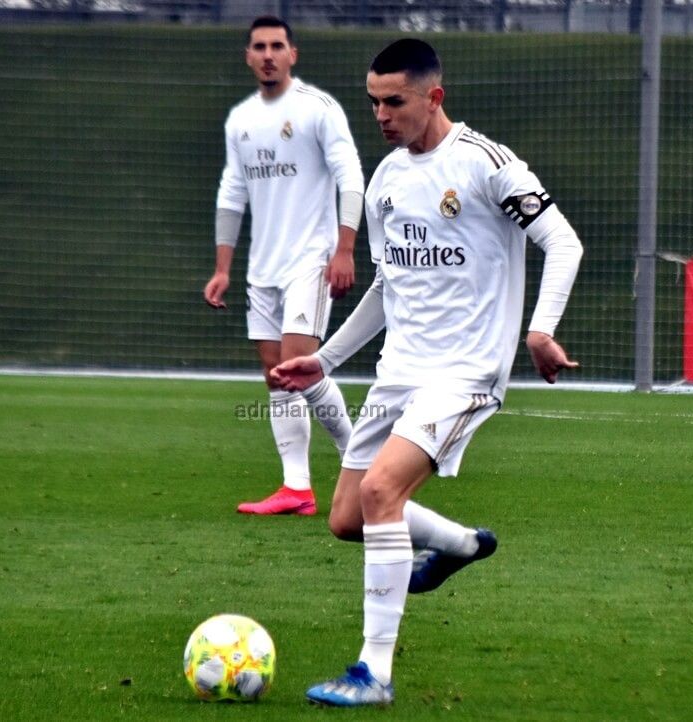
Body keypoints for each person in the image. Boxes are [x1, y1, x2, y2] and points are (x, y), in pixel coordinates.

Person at [271, 38, 585, 706]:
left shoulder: (486, 163)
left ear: (433, 96)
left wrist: (540, 330)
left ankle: (373, 674)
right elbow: (388, 288)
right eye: (373, 102)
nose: (381, 115)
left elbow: (563, 241)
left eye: (395, 101)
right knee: (347, 518)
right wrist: (323, 359)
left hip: (465, 372)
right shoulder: (386, 180)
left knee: (382, 491)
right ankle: (462, 545)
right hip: (399, 373)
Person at [206, 16, 365, 516]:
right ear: (248, 57)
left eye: (277, 45)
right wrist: (222, 268)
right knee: (277, 376)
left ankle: (361, 460)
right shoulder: (240, 120)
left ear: (293, 54)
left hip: (311, 262)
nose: (268, 54)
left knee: (300, 369)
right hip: (262, 269)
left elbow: (351, 176)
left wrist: (344, 249)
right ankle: (297, 488)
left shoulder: (318, 108)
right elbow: (232, 192)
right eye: (259, 47)